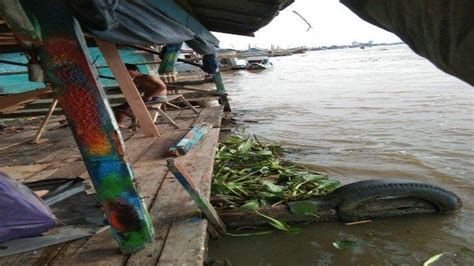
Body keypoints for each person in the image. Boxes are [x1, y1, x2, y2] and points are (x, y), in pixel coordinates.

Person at [114, 63, 168, 128]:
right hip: (148, 98)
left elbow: (162, 87)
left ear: (135, 70)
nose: (127, 75)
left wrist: (149, 96)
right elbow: (138, 91)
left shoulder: (149, 77)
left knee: (122, 108)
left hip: (157, 97)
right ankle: (120, 124)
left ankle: (138, 119)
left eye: (128, 72)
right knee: (120, 108)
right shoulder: (136, 80)